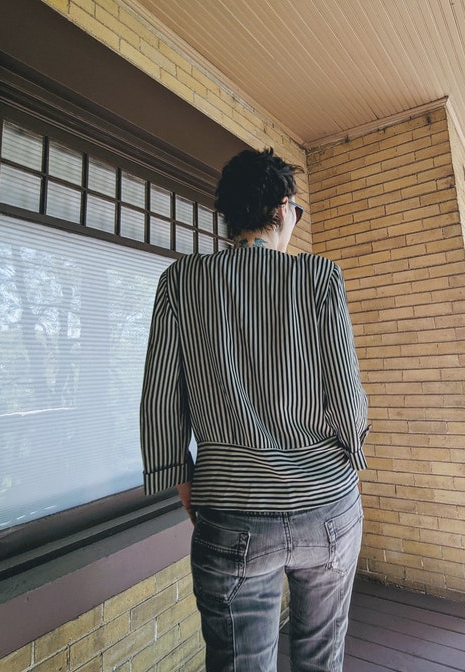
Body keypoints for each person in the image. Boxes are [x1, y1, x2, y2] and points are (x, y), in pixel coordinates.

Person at [140, 148, 369, 672]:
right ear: (284, 208)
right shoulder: (318, 277)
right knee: (321, 660)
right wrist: (349, 461)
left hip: (230, 511)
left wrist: (184, 482)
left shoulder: (181, 281)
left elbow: (159, 397)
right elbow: (348, 394)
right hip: (327, 505)